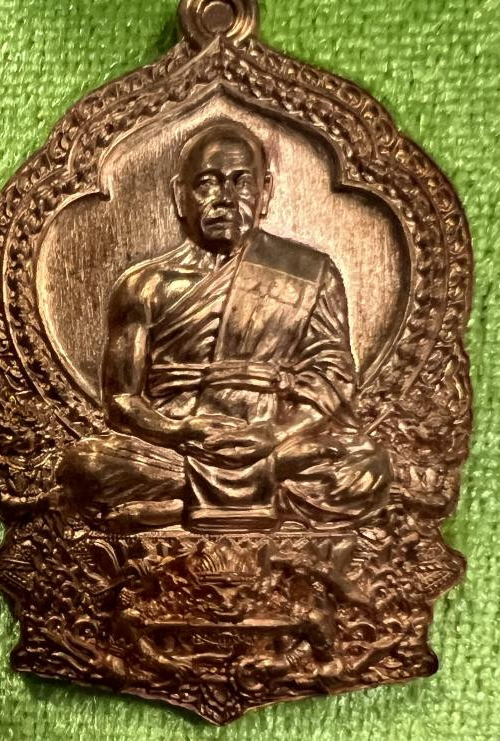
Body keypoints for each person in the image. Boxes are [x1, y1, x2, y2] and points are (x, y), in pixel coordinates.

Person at [57, 120, 391, 533]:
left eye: (241, 182)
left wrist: (275, 434)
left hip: (273, 440)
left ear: (265, 191)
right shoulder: (144, 285)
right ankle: (262, 495)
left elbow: (333, 377)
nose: (226, 199)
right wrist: (178, 430)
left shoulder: (310, 272)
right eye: (207, 184)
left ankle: (178, 505)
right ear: (180, 196)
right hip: (180, 445)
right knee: (86, 465)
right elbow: (122, 400)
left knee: (366, 466)